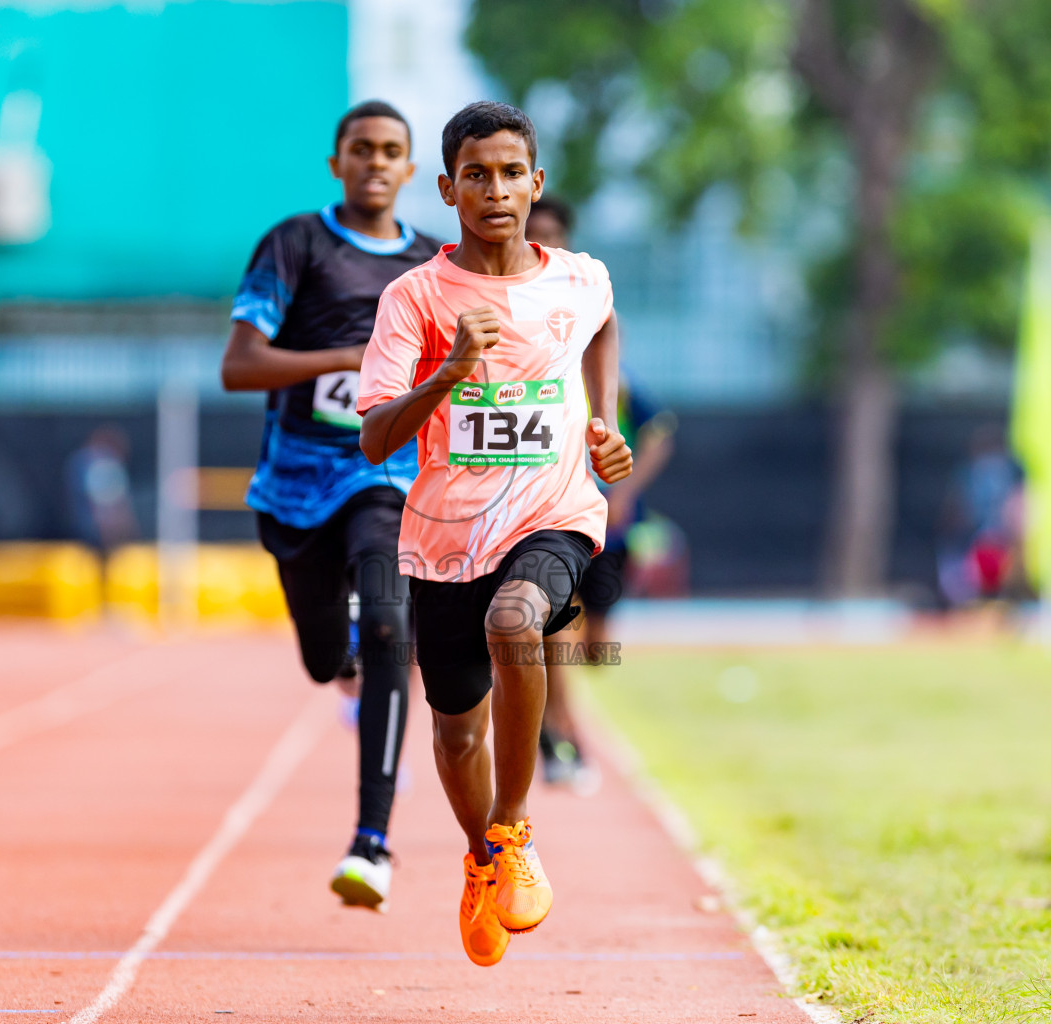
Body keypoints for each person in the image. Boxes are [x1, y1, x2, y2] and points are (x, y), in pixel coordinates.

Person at [357, 101, 632, 966]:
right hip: (442, 538)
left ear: (536, 182)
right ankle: (480, 860)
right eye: (477, 173)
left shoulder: (580, 278)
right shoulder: (416, 299)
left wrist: (605, 423)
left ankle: (513, 829)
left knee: (517, 623)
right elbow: (375, 437)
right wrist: (449, 373)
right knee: (453, 733)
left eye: (512, 171)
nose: (496, 188)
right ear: (447, 188)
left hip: (553, 516)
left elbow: (604, 327)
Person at [220, 101, 438, 912]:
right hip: (295, 485)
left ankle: (371, 842)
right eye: (361, 150)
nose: (376, 163)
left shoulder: (432, 262)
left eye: (391, 152)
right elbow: (239, 367)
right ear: (337, 163)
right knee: (325, 660)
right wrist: (352, 357)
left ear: (412, 171)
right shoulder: (295, 243)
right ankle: (342, 653)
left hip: (389, 473)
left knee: (390, 624)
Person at [524, 197, 677, 793]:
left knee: (592, 649)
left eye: (553, 235)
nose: (544, 245)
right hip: (546, 513)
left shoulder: (590, 314)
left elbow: (659, 427)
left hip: (608, 524)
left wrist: (626, 488)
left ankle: (558, 729)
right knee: (546, 635)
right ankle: (563, 738)